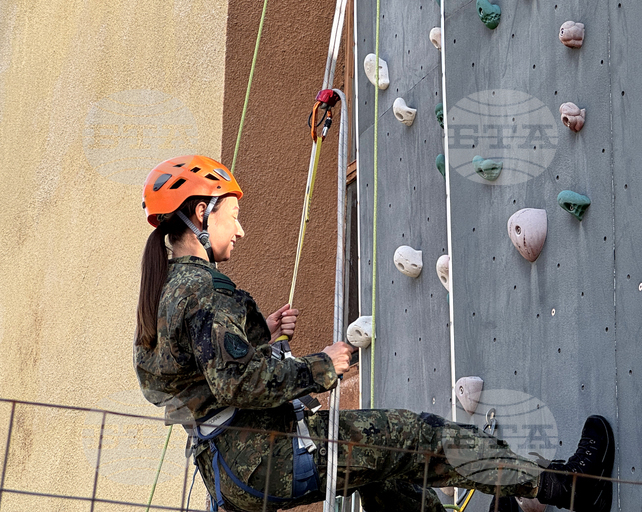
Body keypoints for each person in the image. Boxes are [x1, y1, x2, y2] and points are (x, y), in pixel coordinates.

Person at [134, 155, 615, 512]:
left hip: (233, 471)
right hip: (269, 454)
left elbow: (194, 384)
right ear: (200, 213)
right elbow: (238, 384)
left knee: (381, 468)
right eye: (231, 216)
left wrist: (262, 341)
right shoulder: (198, 290)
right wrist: (322, 365)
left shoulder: (165, 294)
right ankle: (569, 485)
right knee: (416, 436)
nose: (238, 231)